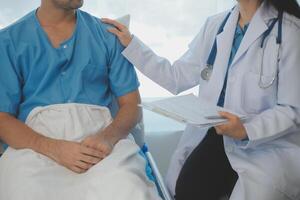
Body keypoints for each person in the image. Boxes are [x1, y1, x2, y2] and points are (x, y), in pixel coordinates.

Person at [102, 0, 300, 199]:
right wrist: (132, 43)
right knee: (187, 191)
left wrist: (246, 129)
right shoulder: (216, 25)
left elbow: (292, 109)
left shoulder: (290, 31)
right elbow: (176, 77)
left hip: (264, 143)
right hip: (217, 134)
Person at [0, 0, 162, 199]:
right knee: (22, 190)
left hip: (100, 141)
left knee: (128, 188)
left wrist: (107, 138)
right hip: (35, 146)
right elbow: (2, 118)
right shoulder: (8, 42)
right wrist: (54, 149)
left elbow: (132, 105)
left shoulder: (107, 36)